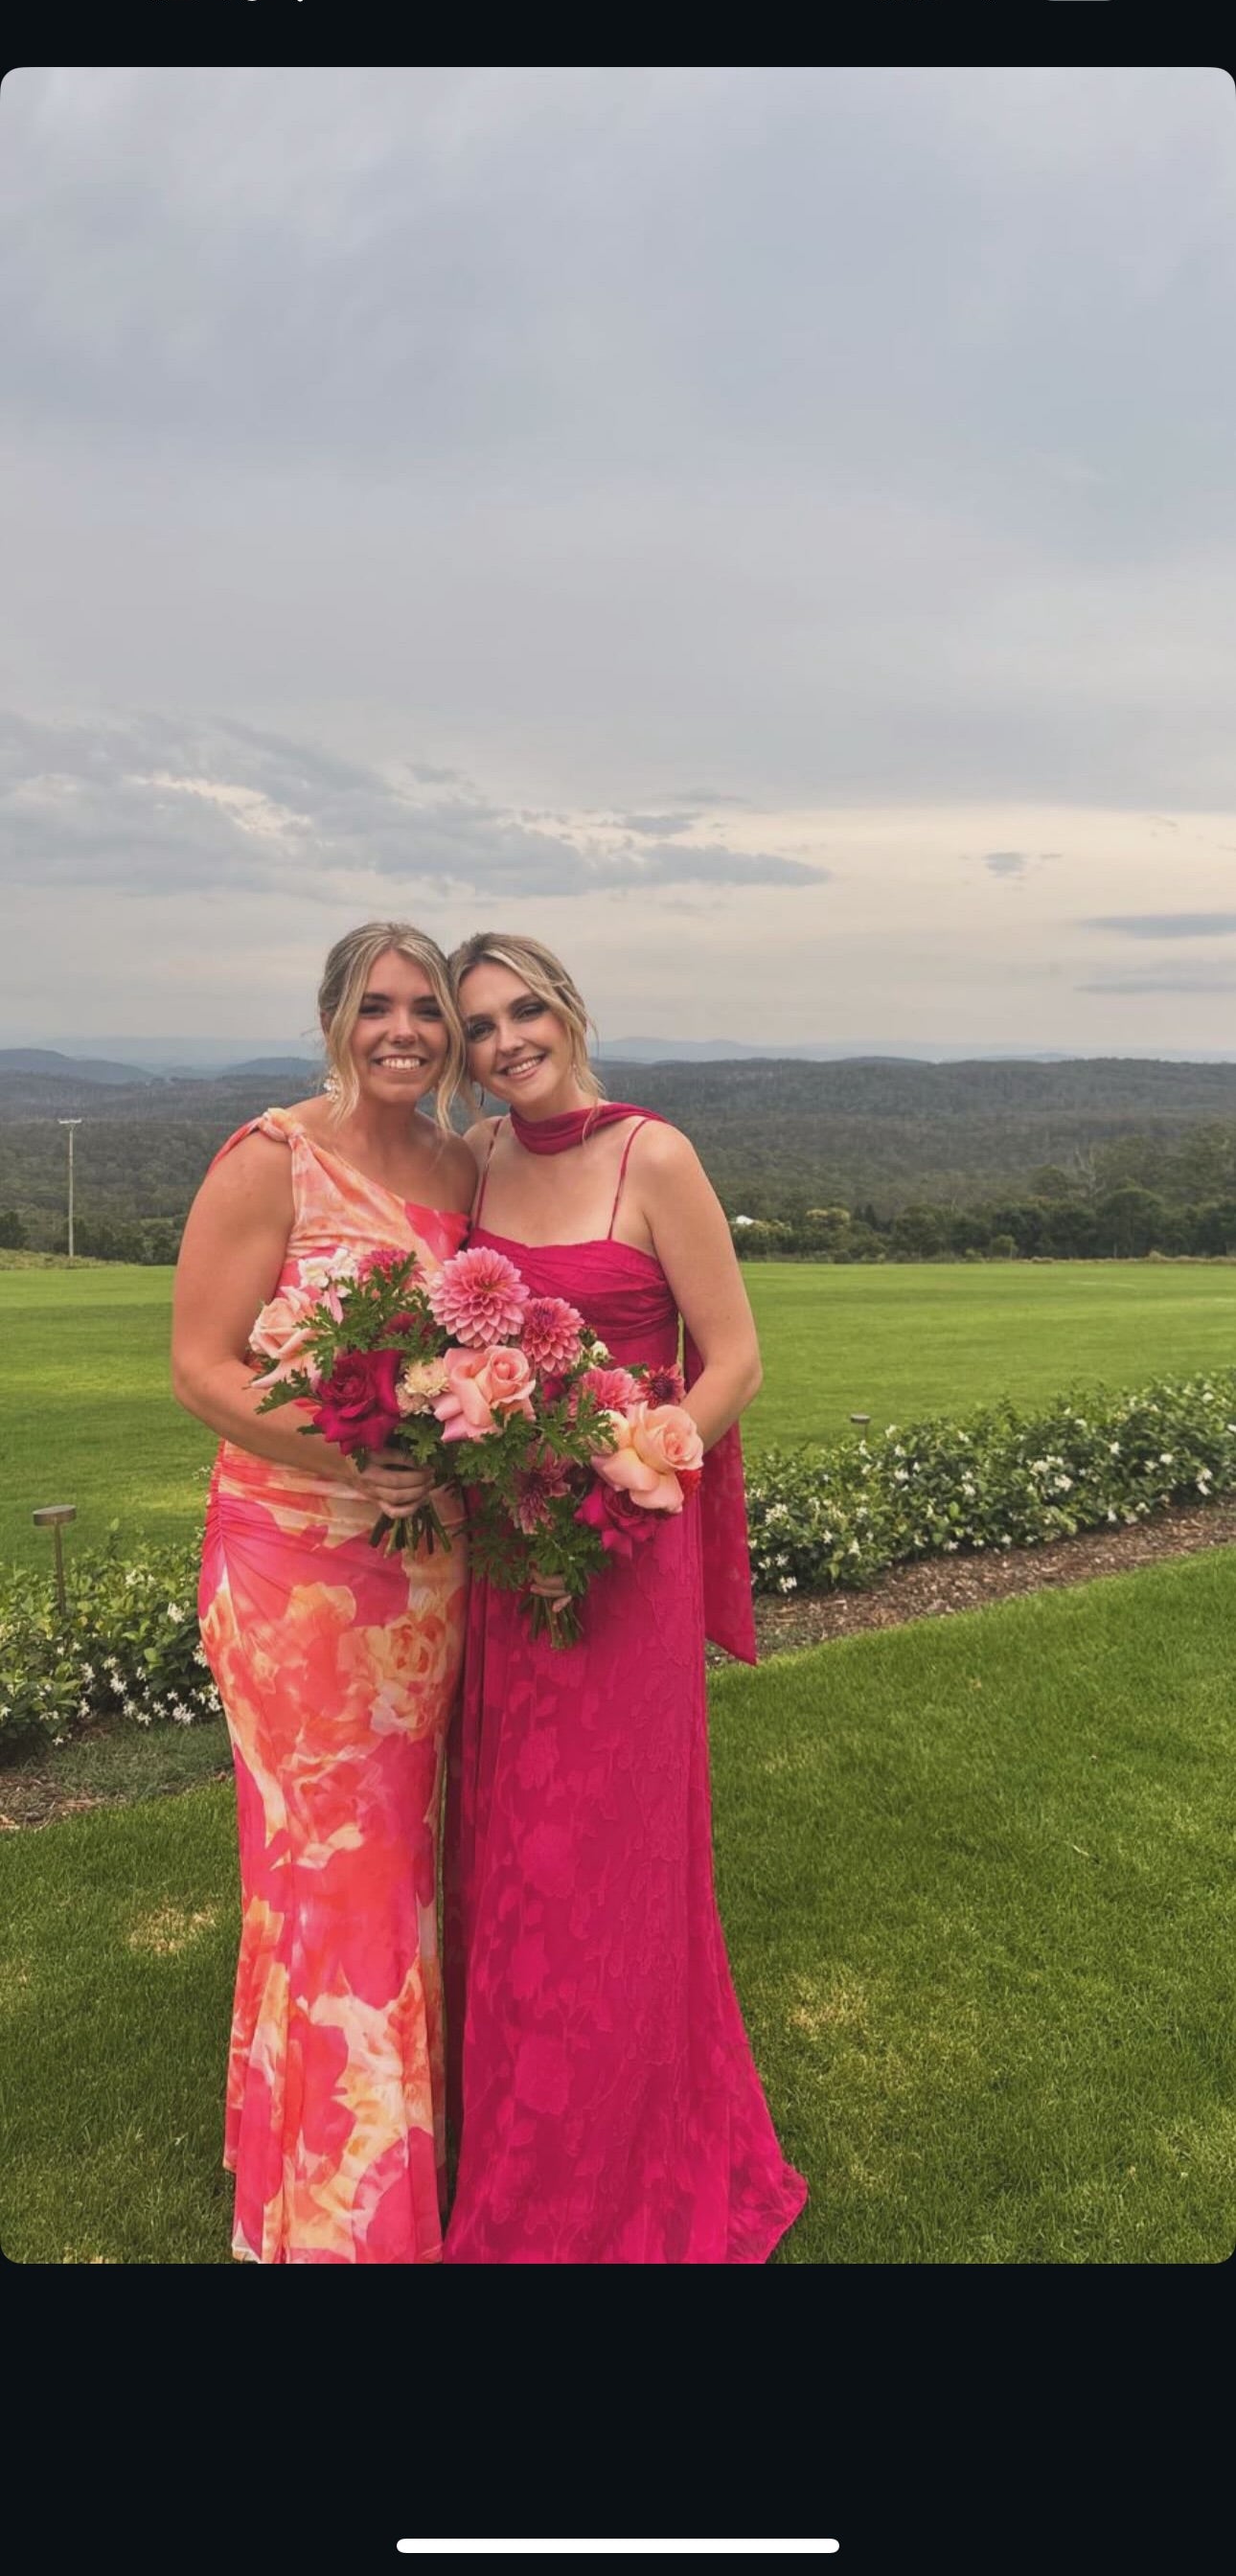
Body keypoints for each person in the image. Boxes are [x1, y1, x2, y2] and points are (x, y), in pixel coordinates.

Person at [442, 931, 808, 2262]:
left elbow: (735, 1357)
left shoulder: (655, 1154)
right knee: (505, 1851)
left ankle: (613, 2171)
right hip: (507, 1554)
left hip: (627, 1552)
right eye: (477, 1028)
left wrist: (650, 1458)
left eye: (521, 1012)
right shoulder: (474, 1161)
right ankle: (518, 2150)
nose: (503, 1044)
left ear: (568, 1012)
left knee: (607, 1857)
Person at [172, 922, 476, 2264]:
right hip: (292, 1565)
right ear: (335, 1020)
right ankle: (331, 2220)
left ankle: (376, 2158)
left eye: (427, 1009)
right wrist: (360, 1449)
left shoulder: (469, 1169)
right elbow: (202, 1366)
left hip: (425, 1580)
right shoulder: (270, 1157)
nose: (403, 1029)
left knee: (403, 1859)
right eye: (377, 1007)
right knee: (320, 1869)